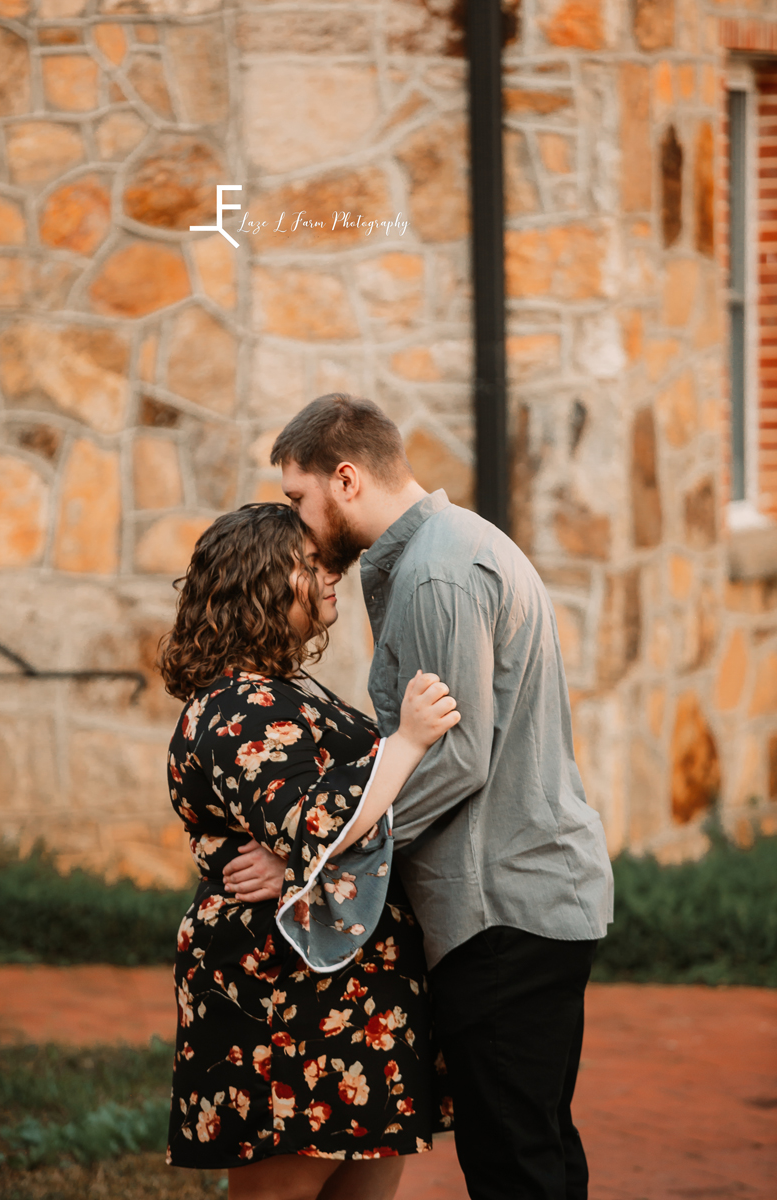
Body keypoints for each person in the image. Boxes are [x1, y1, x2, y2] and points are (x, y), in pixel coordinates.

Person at [223, 395, 615, 1200]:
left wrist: (316, 853)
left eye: (299, 497)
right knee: (528, 1148)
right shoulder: (427, 555)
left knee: (516, 1162)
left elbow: (456, 758)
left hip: (502, 906)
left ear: (345, 477)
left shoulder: (438, 571)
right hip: (506, 904)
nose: (297, 520)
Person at [157, 503, 459, 1200]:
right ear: (258, 582)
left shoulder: (284, 690)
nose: (330, 577)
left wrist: (300, 857)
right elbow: (309, 819)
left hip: (352, 992)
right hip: (282, 992)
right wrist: (407, 742)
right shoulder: (237, 705)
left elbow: (320, 830)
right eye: (308, 564)